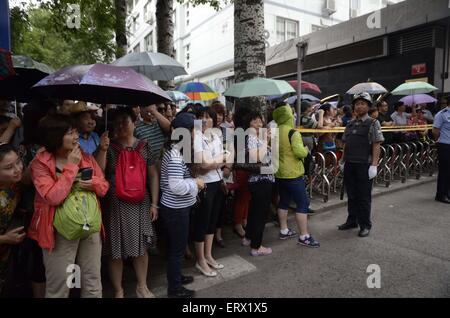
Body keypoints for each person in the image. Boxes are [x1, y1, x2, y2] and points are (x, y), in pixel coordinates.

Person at [29, 115, 109, 298]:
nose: (76, 137)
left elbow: (104, 187)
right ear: (54, 136)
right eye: (70, 133)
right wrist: (72, 167)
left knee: (92, 281)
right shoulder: (40, 163)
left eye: (75, 132)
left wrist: (94, 184)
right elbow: (53, 197)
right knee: (60, 287)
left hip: (90, 225)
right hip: (57, 231)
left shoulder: (86, 157)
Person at [97, 107, 159, 298]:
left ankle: (142, 286)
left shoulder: (144, 145)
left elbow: (153, 175)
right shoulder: (109, 147)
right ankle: (119, 291)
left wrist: (154, 204)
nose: (121, 125)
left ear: (135, 123)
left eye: (125, 120)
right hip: (115, 201)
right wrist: (102, 149)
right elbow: (99, 172)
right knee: (115, 249)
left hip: (141, 200)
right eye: (117, 122)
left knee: (141, 247)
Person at [160, 112, 204, 298]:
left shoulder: (177, 151)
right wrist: (196, 183)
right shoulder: (176, 156)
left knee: (177, 247)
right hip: (175, 209)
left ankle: (176, 277)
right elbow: (176, 186)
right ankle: (174, 289)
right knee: (177, 250)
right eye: (193, 130)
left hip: (178, 208)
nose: (195, 134)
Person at [273, 104, 320, 247]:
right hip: (293, 174)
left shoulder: (274, 131)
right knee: (303, 203)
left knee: (284, 202)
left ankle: (284, 230)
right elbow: (300, 152)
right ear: (288, 116)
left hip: (279, 173)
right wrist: (306, 150)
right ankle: (304, 236)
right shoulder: (293, 133)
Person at [338, 92, 384, 237]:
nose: (359, 106)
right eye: (357, 103)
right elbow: (346, 144)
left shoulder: (373, 122)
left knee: (363, 197)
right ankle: (352, 221)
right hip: (350, 164)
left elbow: (376, 144)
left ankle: (365, 225)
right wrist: (342, 161)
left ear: (368, 106)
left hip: (364, 164)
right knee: (351, 195)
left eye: (363, 103)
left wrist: (374, 165)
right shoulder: (350, 123)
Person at [192, 107, 227, 276]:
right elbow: (202, 167)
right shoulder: (197, 137)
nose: (204, 120)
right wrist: (217, 162)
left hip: (217, 182)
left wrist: (214, 162)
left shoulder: (216, 136)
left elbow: (223, 159)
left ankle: (208, 255)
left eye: (208, 117)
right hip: (204, 185)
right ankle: (200, 260)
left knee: (212, 222)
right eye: (201, 117)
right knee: (202, 222)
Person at [238, 111, 274, 256]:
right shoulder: (253, 138)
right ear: (249, 125)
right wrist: (266, 140)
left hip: (261, 180)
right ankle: (256, 247)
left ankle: (248, 238)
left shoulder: (257, 137)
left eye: (260, 121)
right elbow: (257, 158)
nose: (259, 124)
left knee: (254, 211)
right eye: (255, 122)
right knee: (260, 214)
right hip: (261, 180)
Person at [0, 144, 27, 296]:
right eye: (9, 167)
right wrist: (5, 238)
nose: (17, 169)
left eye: (18, 162)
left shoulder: (15, 185)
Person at [432, 96, 450, 204]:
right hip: (445, 145)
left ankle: (447, 193)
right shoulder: (442, 114)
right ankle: (441, 194)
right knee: (444, 171)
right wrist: (438, 140)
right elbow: (435, 130)